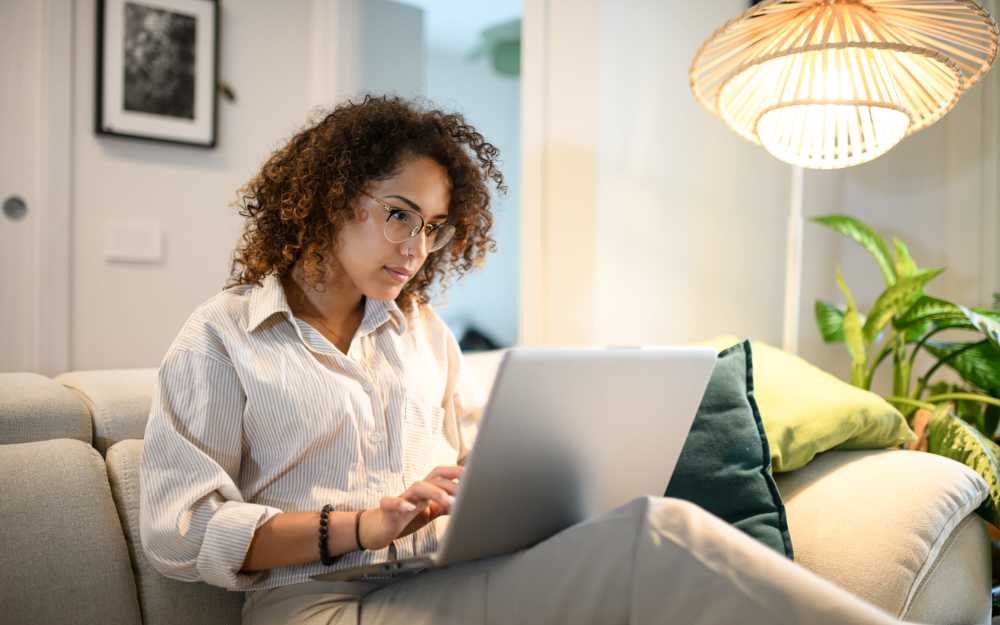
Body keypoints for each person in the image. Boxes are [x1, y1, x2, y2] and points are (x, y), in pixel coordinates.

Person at [140, 96, 903, 625]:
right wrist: (365, 522)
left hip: (440, 579)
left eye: (434, 226)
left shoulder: (420, 330)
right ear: (331, 198)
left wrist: (491, 486)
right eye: (399, 213)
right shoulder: (221, 338)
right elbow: (181, 531)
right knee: (653, 538)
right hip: (318, 606)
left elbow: (475, 462)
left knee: (640, 526)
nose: (416, 247)